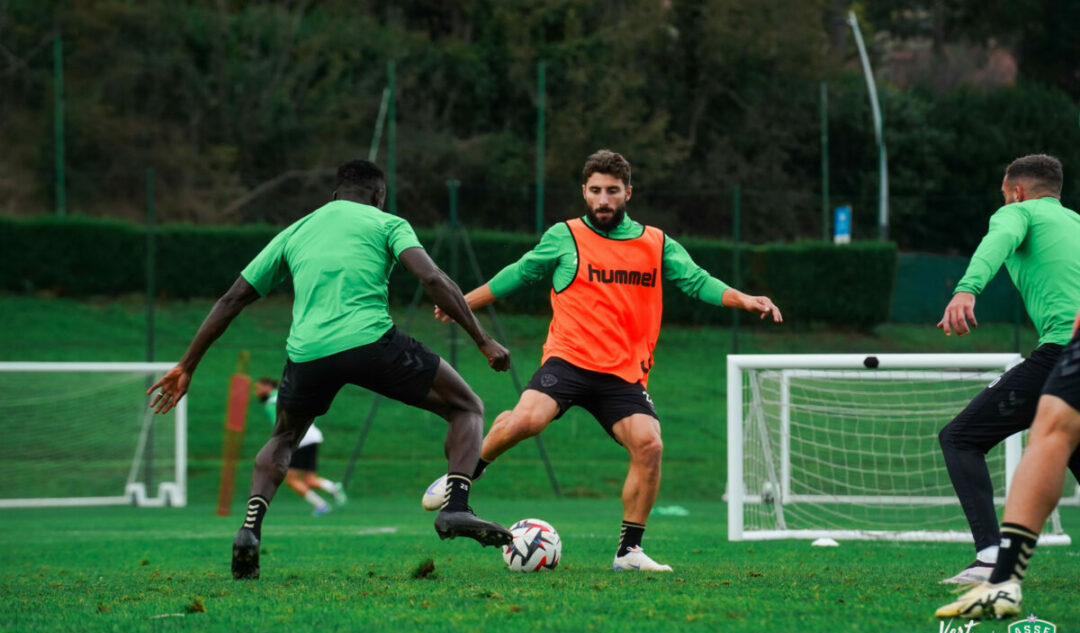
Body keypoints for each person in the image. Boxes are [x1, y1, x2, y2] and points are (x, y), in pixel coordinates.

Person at [147, 159, 514, 580]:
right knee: (466, 406)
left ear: (335, 194)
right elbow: (432, 278)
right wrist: (482, 339)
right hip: (371, 343)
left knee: (284, 436)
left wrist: (186, 365)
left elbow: (231, 300)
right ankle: (455, 508)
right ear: (379, 196)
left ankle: (249, 530)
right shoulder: (388, 223)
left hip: (307, 355)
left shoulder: (295, 231)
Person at [421, 149, 782, 572]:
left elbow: (696, 279)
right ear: (584, 193)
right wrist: (463, 304)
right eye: (595, 191)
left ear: (628, 192)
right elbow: (517, 274)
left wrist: (743, 299)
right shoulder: (566, 235)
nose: (604, 199)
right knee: (527, 421)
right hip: (569, 360)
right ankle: (465, 473)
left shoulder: (655, 242)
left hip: (623, 374)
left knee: (650, 445)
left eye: (612, 191)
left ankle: (629, 552)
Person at [936, 153, 1080, 584]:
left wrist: (966, 290)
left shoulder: (1018, 213)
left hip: (1064, 351)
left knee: (960, 437)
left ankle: (988, 559)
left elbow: (995, 243)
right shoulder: (1074, 221)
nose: (1004, 206)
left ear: (1016, 193)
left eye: (1004, 197)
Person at [936, 308, 1080, 619]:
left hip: (1061, 346)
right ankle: (1000, 575)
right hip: (1066, 344)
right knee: (1059, 433)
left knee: (1051, 433)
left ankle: (996, 567)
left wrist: (966, 289)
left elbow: (991, 255)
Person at [253, 376, 345, 515]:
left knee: (291, 480)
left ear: (267, 387)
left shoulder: (272, 402)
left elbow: (280, 427)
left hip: (300, 440)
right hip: (313, 435)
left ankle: (321, 505)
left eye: (258, 388)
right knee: (309, 479)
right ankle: (333, 488)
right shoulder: (286, 394)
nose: (256, 392)